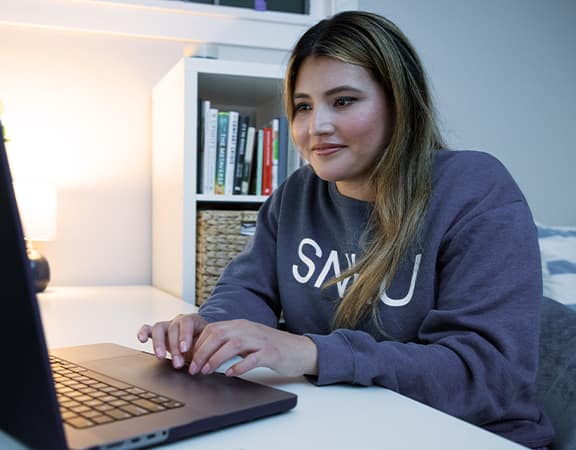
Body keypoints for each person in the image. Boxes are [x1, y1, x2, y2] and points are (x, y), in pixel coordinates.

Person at [137, 10, 554, 449]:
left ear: (399, 103)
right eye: (303, 106)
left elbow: (487, 376)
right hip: (347, 424)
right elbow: (249, 289)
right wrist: (208, 329)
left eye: (343, 101)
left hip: (470, 436)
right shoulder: (296, 193)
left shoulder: (474, 188)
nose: (316, 127)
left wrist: (312, 352)